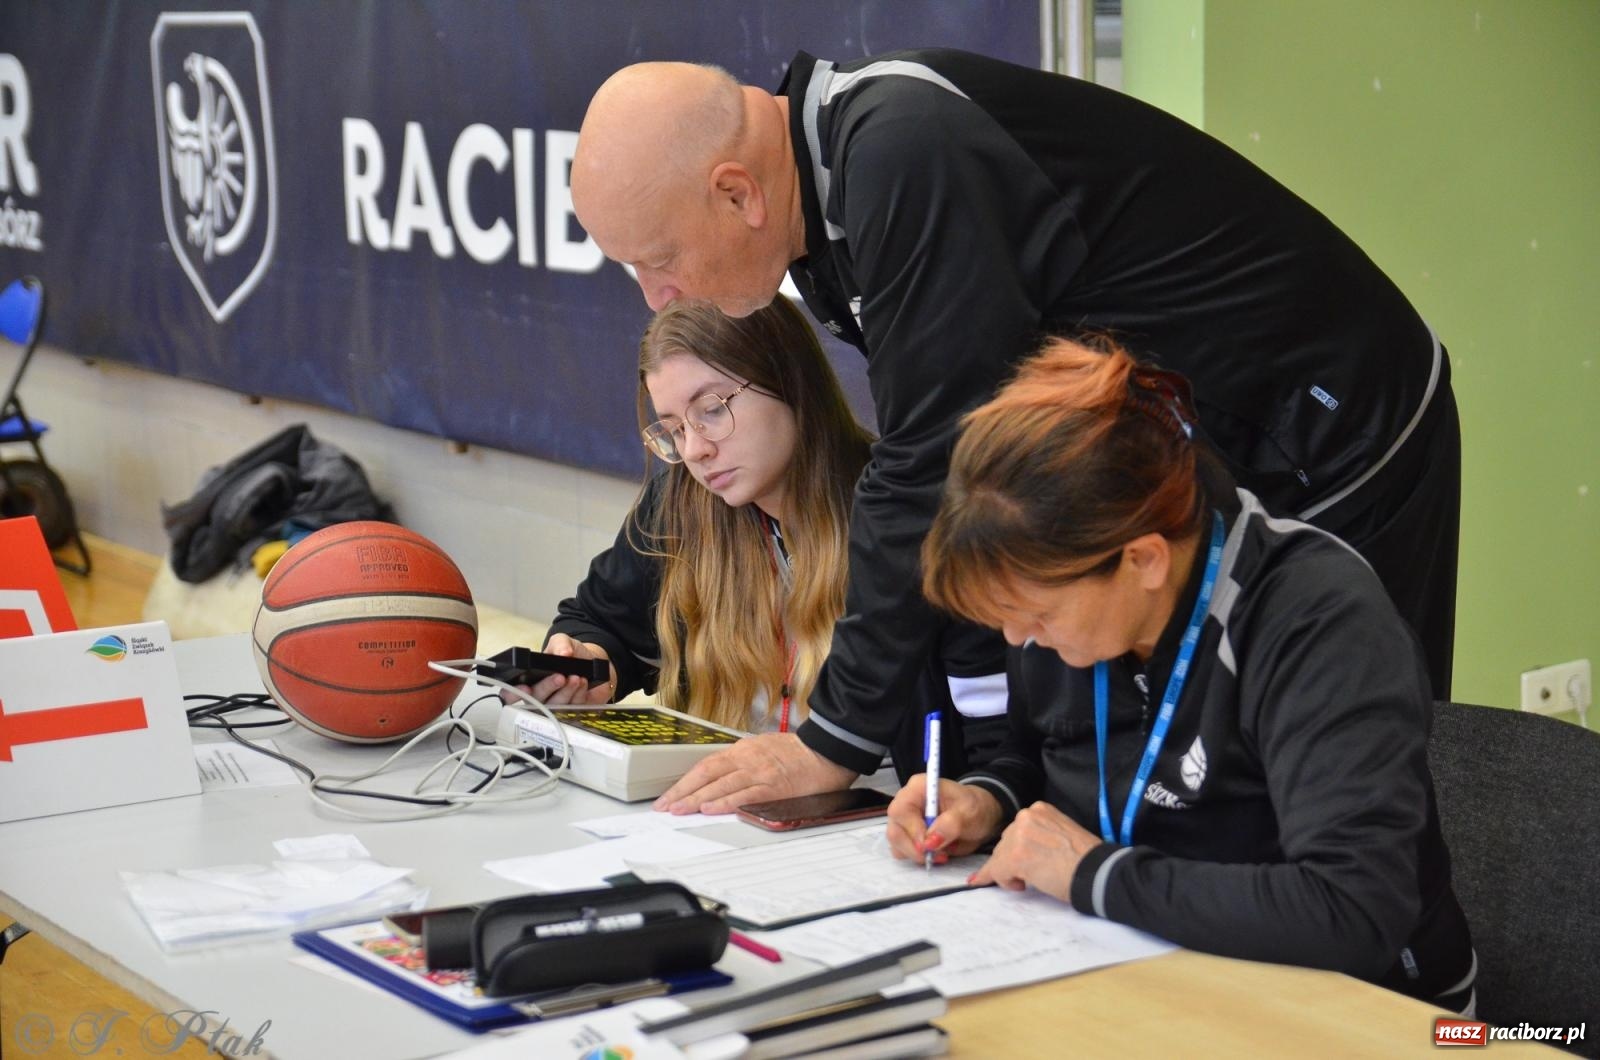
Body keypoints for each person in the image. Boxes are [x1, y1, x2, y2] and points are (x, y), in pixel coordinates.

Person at [570, 49, 1460, 812]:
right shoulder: (838, 185)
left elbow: (930, 464)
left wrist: (832, 740)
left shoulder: (904, 151)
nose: (656, 297)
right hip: (1200, 449)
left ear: (737, 193)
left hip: (1337, 431)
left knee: (1342, 778)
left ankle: (1417, 1012)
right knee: (1198, 790)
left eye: (659, 260)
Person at [884, 336, 1476, 1012]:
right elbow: (1038, 750)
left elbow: (1352, 911)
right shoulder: (1064, 593)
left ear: (1143, 560)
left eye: (1036, 616)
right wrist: (987, 801)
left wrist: (1091, 873)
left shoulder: (1319, 622)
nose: (1019, 640)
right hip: (1138, 964)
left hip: (1360, 1009)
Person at [534, 296, 1005, 785]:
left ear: (788, 382)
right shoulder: (683, 503)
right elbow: (597, 619)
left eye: (712, 410)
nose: (696, 450)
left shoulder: (900, 517)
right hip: (721, 808)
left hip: (873, 820)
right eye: (673, 430)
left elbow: (994, 740)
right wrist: (591, 663)